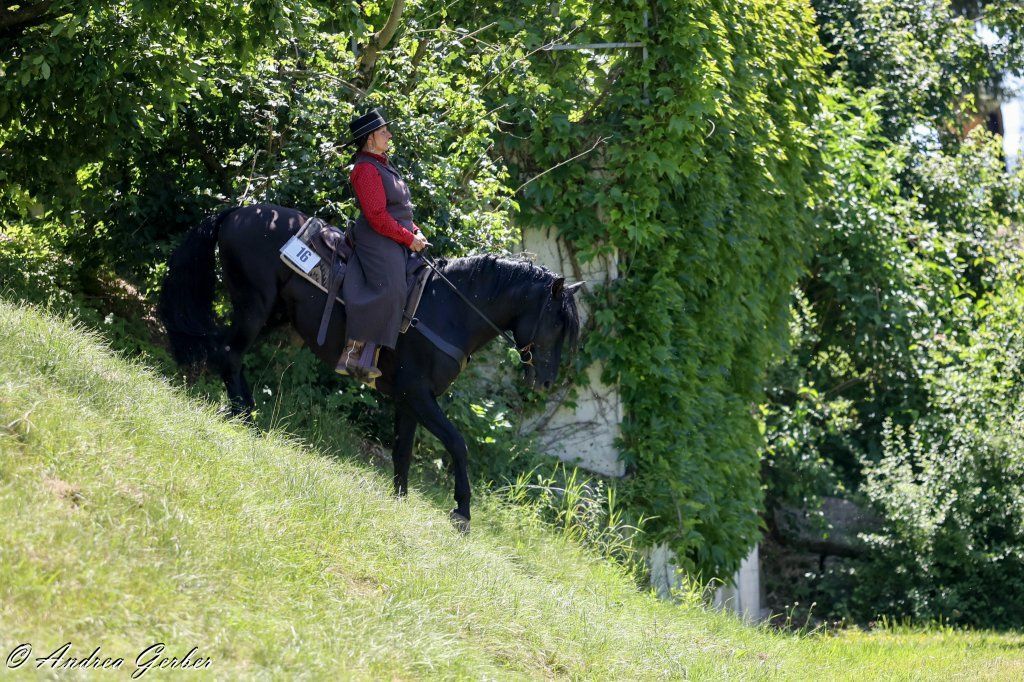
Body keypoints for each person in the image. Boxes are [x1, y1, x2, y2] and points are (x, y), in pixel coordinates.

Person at [337, 108, 429, 382]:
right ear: (369, 139)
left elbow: (399, 210)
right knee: (391, 287)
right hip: (376, 237)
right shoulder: (365, 169)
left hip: (395, 232)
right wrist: (407, 237)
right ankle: (354, 354)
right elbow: (377, 216)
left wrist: (416, 231)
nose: (389, 135)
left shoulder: (383, 163)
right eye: (383, 132)